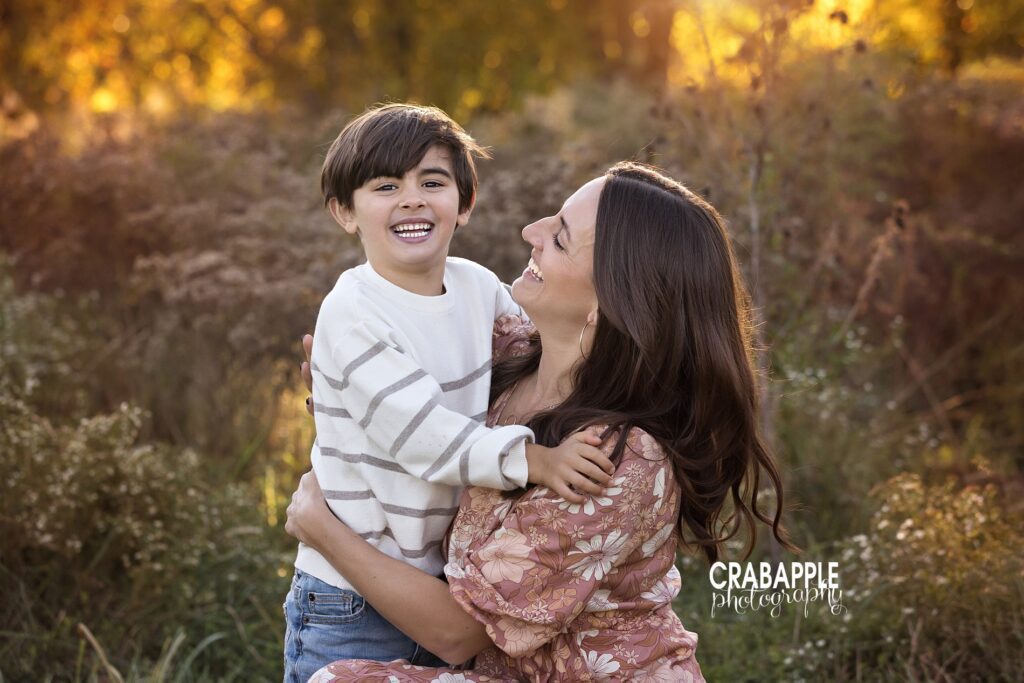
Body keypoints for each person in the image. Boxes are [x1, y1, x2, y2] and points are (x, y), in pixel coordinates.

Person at [286, 161, 796, 681]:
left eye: (559, 237)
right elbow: (406, 405)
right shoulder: (511, 353)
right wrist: (345, 391)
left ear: (608, 301)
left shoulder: (614, 459)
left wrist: (321, 529)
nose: (531, 232)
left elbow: (458, 633)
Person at [284, 103, 617, 683]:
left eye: (431, 183)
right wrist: (532, 459)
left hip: (437, 584)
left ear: (463, 205)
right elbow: (424, 438)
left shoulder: (477, 285)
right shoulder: (354, 312)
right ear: (344, 212)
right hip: (351, 596)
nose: (412, 199)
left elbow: (543, 350)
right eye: (386, 186)